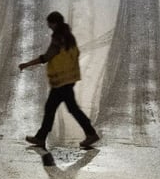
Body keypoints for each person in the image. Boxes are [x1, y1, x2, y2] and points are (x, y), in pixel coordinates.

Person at [19, 11, 100, 150]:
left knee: (60, 108)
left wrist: (27, 64)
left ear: (54, 23)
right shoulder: (69, 36)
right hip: (69, 80)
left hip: (61, 83)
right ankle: (41, 137)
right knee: (60, 108)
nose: (48, 25)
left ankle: (90, 133)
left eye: (49, 23)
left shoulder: (58, 38)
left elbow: (47, 57)